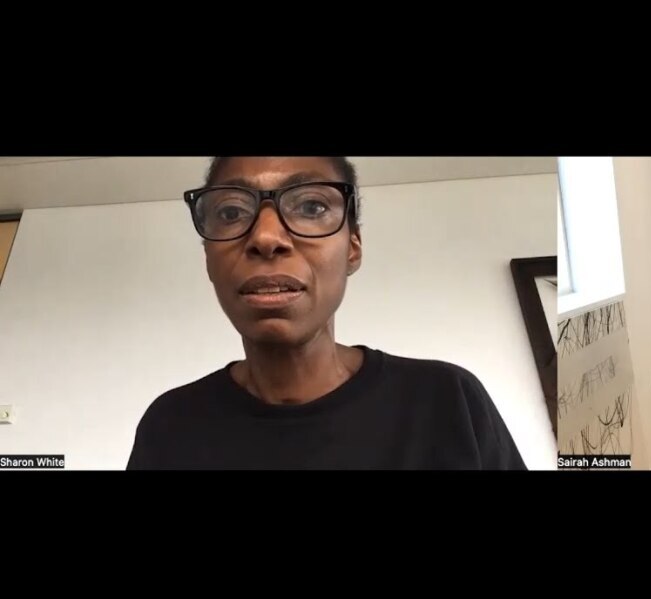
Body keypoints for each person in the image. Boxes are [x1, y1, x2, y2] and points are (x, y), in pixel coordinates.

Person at [127, 157, 527, 469]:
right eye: (231, 213)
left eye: (311, 206)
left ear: (352, 248)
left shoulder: (446, 402)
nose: (266, 237)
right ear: (208, 258)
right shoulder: (170, 427)